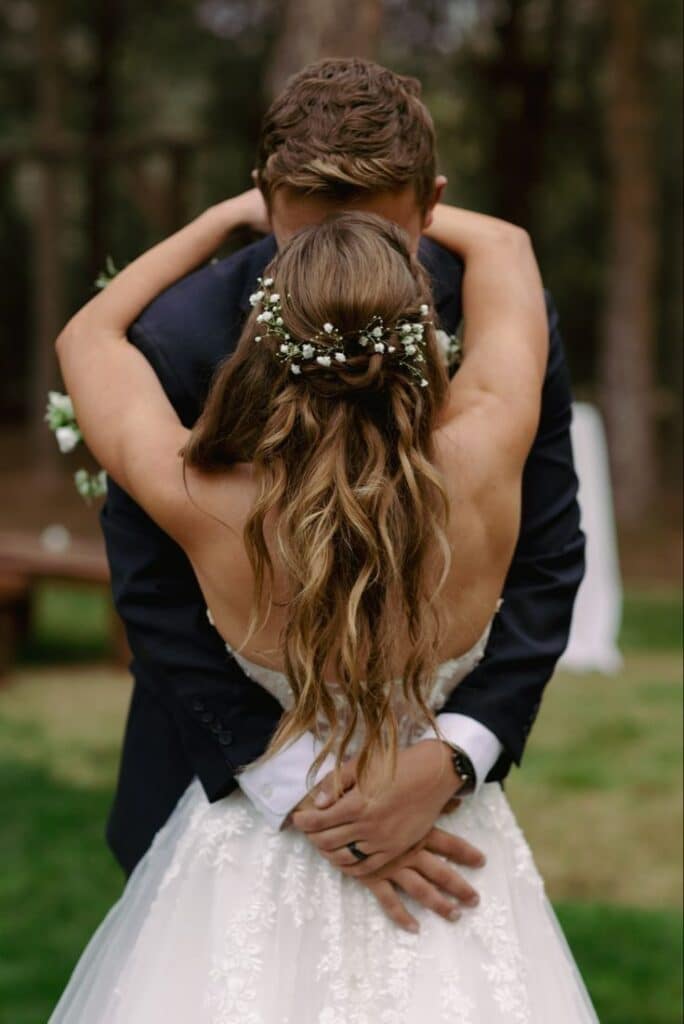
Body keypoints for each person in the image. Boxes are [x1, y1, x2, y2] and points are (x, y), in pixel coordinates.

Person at [48, 183, 597, 1015]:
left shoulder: (202, 498)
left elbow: (86, 334)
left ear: (263, 345)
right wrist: (405, 207)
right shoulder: (492, 443)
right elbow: (509, 249)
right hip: (448, 854)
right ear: (424, 336)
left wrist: (231, 215)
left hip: (253, 866)